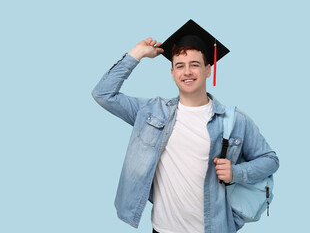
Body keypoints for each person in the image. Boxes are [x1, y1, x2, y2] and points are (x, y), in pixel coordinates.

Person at [92, 19, 279, 233]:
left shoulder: (236, 120)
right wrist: (137, 53)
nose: (187, 71)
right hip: (163, 230)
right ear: (172, 73)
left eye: (195, 64)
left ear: (208, 70)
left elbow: (270, 160)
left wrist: (236, 172)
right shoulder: (150, 112)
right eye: (180, 66)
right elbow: (103, 93)